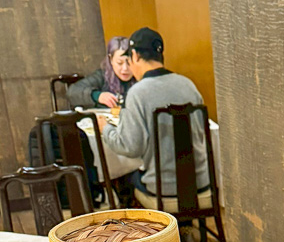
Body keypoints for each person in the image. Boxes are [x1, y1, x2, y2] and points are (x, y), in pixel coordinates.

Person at [101, 27, 208, 199]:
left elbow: (130, 147)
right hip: (201, 182)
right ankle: (185, 221)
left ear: (134, 55)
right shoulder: (188, 85)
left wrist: (106, 129)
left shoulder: (137, 93)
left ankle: (148, 224)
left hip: (164, 189)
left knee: (124, 181)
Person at [67, 36, 135, 109]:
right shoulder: (102, 75)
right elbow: (73, 92)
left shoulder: (142, 78)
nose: (125, 68)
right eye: (119, 63)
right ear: (110, 59)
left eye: (129, 62)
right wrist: (97, 95)